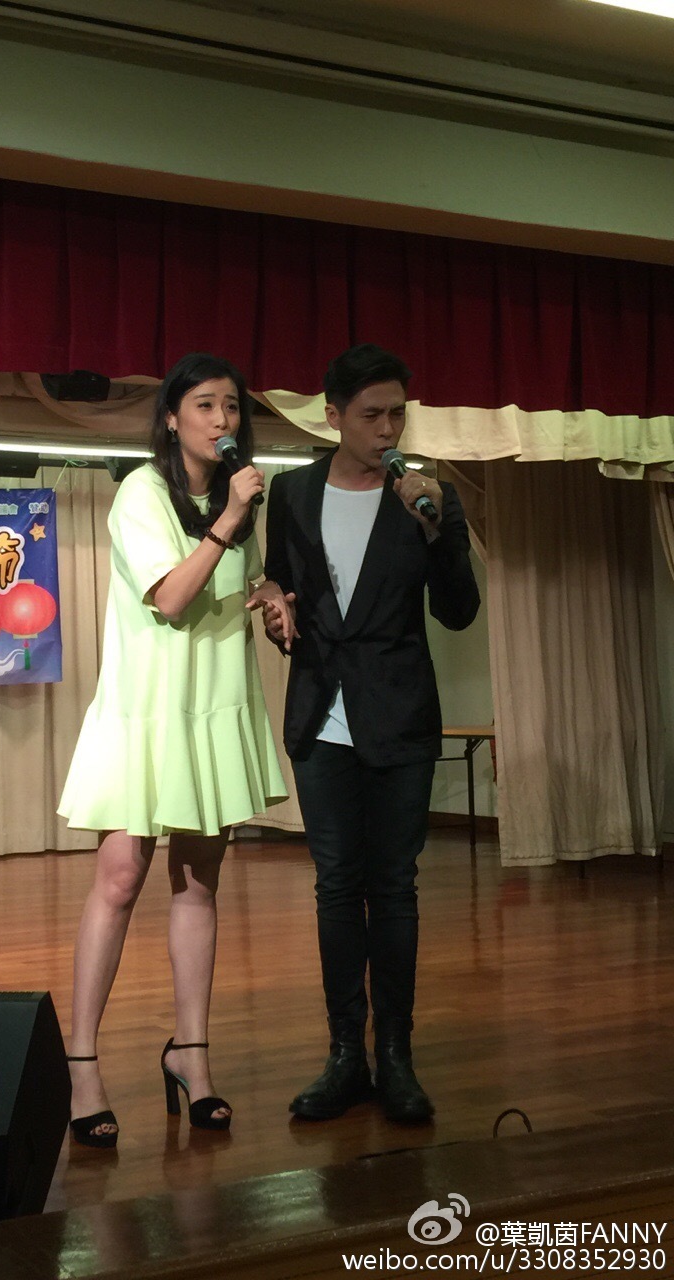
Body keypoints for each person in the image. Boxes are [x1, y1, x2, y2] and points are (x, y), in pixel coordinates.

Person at [58, 352, 291, 1147]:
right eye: (204, 405)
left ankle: (191, 1055)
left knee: (198, 882)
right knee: (120, 878)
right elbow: (171, 597)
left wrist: (269, 596)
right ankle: (81, 1064)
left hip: (212, 709)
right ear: (171, 418)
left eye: (232, 406)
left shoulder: (238, 507)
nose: (222, 420)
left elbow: (229, 589)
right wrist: (229, 520)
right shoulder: (142, 493)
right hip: (149, 711)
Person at [261, 343, 480, 1125]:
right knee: (334, 886)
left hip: (399, 715)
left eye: (397, 415)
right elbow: (282, 582)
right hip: (322, 716)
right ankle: (343, 1054)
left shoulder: (429, 497)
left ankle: (396, 1055)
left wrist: (437, 532)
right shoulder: (291, 492)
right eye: (371, 415)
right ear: (333, 416)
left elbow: (458, 610)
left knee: (393, 888)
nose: (388, 429)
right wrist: (275, 610)